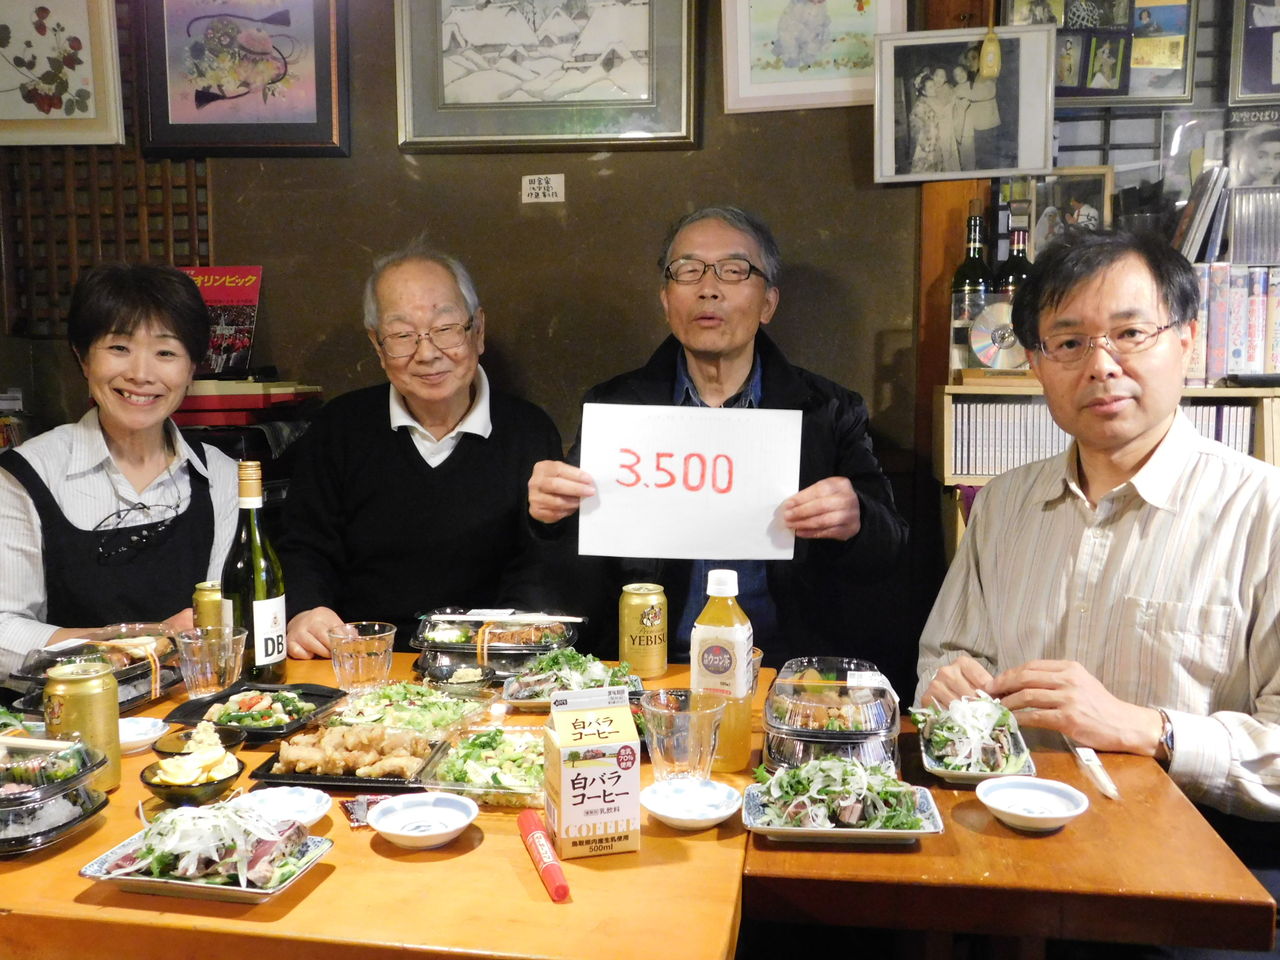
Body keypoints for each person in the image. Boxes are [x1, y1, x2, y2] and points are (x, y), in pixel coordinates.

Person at [916, 230, 1280, 953]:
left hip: (1191, 877)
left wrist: (1150, 730)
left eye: (1130, 333)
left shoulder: (1263, 511)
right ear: (1035, 363)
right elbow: (943, 656)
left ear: (1187, 341)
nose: (1102, 364)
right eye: (1070, 342)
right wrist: (948, 684)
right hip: (1009, 859)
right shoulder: (1003, 503)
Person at [527, 206, 908, 670]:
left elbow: (890, 549)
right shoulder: (616, 408)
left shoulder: (828, 410)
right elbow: (574, 568)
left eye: (733, 270)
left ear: (768, 303)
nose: (708, 288)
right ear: (666, 299)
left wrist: (856, 518)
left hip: (784, 665)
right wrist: (551, 519)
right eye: (688, 271)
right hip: (649, 665)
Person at [278, 240, 566, 655]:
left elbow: (540, 561)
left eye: (445, 329)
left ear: (478, 331)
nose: (427, 353)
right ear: (377, 346)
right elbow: (304, 546)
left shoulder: (529, 431)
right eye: (402, 335)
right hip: (364, 658)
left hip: (489, 657)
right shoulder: (338, 428)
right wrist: (306, 612)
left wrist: (505, 644)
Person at [0, 264, 238, 680]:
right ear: (82, 357)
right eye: (119, 347)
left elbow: (225, 620)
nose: (141, 374)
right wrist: (132, 642)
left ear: (191, 369)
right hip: (65, 709)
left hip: (196, 707)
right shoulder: (25, 475)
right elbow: (3, 628)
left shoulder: (220, 474)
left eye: (166, 353)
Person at [959, 45, 1001, 170]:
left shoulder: (987, 74)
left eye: (974, 58)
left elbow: (981, 93)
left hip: (987, 125)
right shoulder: (974, 75)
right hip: (979, 125)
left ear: (982, 58)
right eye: (968, 60)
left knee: (988, 162)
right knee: (981, 160)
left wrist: (959, 91)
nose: (970, 62)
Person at [908, 67, 945, 174]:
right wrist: (926, 145)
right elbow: (915, 130)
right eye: (930, 87)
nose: (934, 88)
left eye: (934, 86)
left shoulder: (933, 100)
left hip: (936, 145)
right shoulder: (920, 105)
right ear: (924, 91)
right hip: (926, 148)